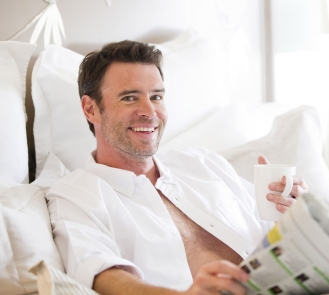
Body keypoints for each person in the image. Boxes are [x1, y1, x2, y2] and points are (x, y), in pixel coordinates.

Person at [46, 40, 308, 295]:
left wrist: (295, 214)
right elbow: (104, 277)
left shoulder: (205, 164)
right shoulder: (75, 196)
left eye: (156, 96)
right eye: (129, 98)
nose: (150, 111)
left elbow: (274, 235)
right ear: (90, 109)